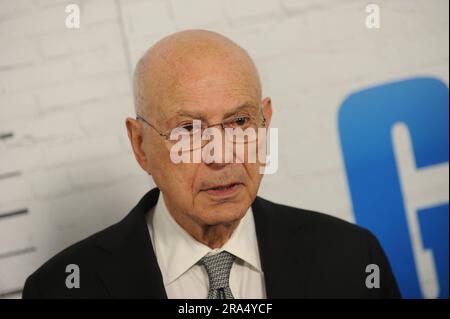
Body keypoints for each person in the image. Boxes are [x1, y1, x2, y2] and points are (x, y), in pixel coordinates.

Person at [23, 30, 400, 299]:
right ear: (140, 145)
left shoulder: (352, 257)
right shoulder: (60, 289)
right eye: (188, 129)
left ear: (265, 122)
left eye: (239, 122)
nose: (221, 155)